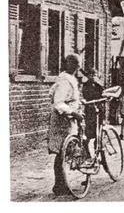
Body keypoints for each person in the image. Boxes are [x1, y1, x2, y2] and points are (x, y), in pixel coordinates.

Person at [47, 54, 84, 196]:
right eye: (74, 64)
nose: (77, 67)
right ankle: (59, 185)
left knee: (65, 151)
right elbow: (58, 102)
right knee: (61, 151)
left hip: (68, 119)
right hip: (62, 120)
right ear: (68, 64)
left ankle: (61, 184)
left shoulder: (69, 78)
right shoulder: (64, 80)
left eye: (78, 64)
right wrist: (73, 113)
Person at [81, 68, 104, 159]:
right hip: (90, 111)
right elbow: (85, 96)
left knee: (99, 132)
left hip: (99, 110)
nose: (93, 77)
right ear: (88, 76)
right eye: (91, 75)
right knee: (89, 132)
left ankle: (97, 150)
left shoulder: (99, 85)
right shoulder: (86, 85)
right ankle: (86, 152)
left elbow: (104, 93)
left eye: (95, 75)